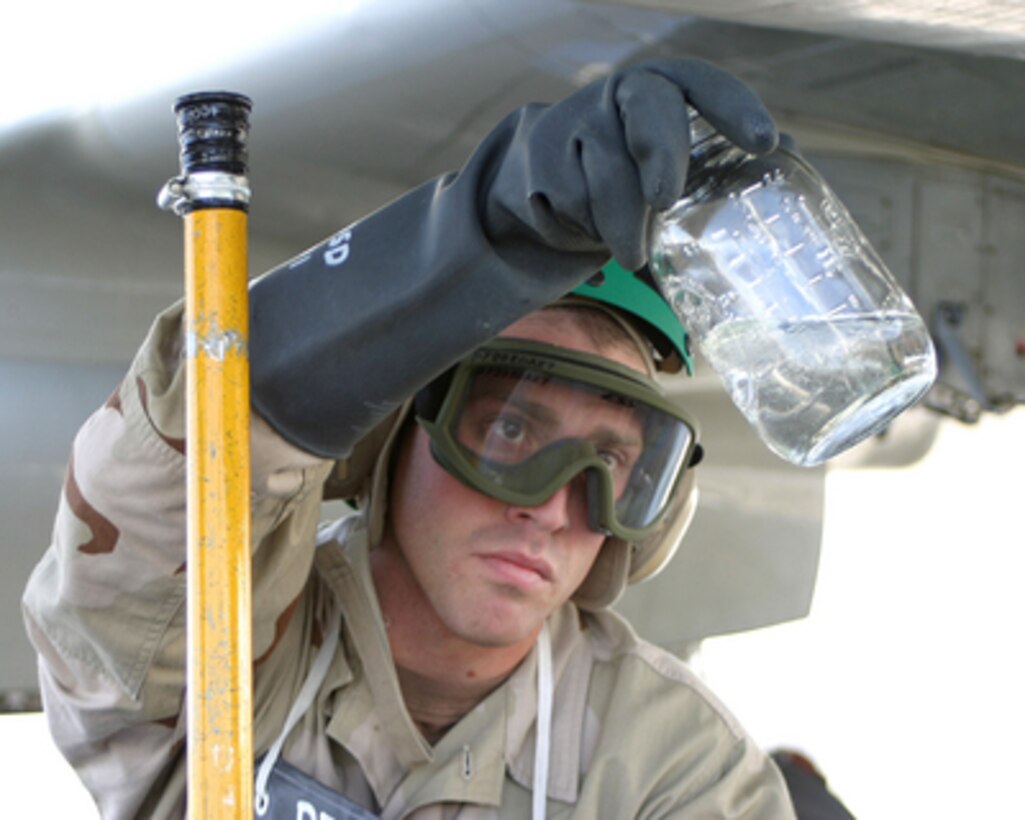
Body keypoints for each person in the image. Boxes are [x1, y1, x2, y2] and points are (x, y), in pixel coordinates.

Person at [23, 58, 799, 818]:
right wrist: (484, 234)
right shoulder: (221, 656)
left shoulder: (677, 768)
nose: (555, 509)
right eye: (507, 429)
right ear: (393, 436)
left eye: (610, 462)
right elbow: (168, 490)